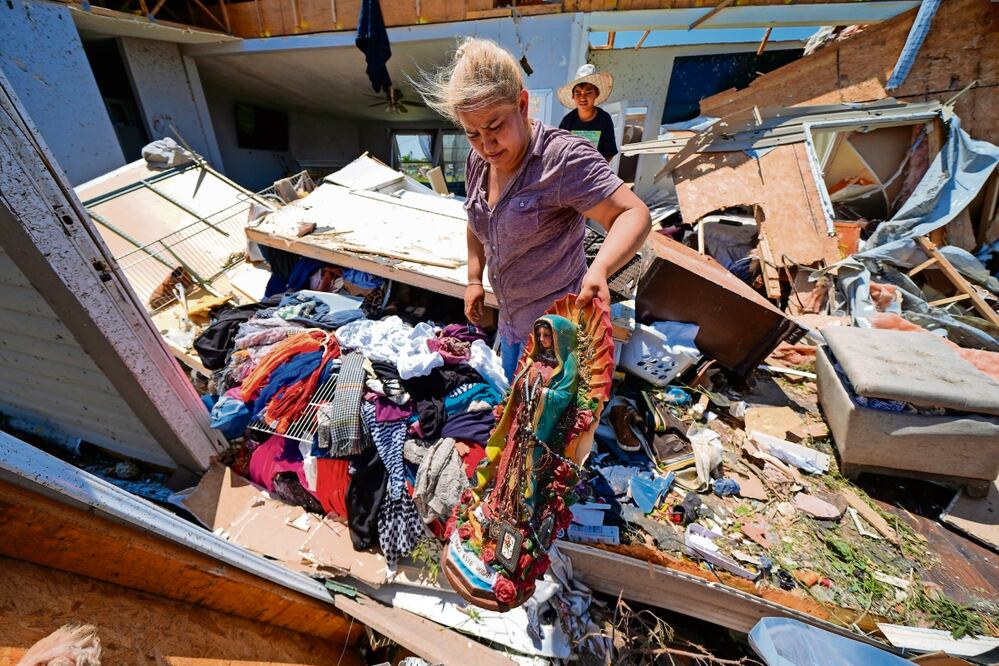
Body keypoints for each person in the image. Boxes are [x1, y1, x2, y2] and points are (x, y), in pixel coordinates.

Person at [418, 38, 651, 381]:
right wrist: (473, 279)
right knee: (518, 408)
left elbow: (633, 214)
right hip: (513, 325)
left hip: (558, 336)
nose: (487, 144)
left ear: (523, 104)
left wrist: (599, 269)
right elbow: (476, 218)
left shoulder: (563, 159)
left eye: (495, 127)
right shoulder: (477, 161)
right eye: (472, 133)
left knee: (550, 425)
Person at [558, 64, 618, 161]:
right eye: (578, 93)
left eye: (588, 92)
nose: (582, 98)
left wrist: (597, 171)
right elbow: (559, 149)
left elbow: (609, 153)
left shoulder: (604, 119)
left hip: (595, 172)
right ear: (573, 96)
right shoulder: (567, 121)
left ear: (596, 94)